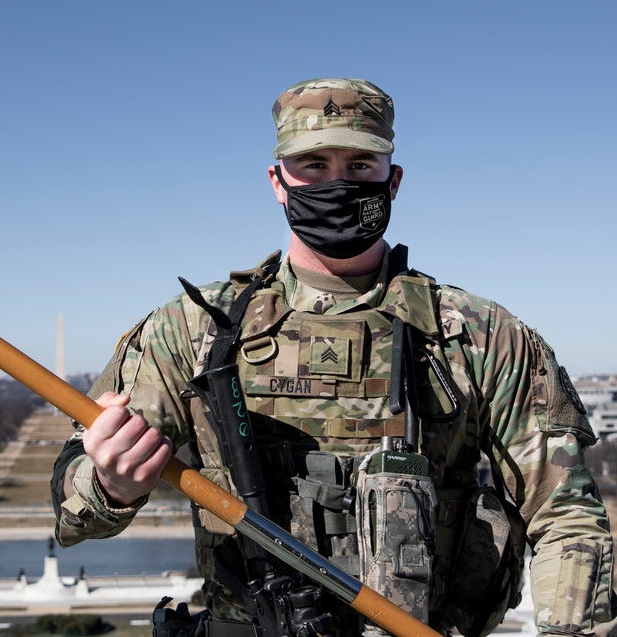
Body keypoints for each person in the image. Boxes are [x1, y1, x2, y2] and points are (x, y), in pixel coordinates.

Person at [50, 78, 616, 637]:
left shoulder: (480, 335)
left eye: (360, 166)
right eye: (314, 165)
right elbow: (73, 506)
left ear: (392, 181)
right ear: (278, 181)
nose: (337, 183)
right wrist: (110, 485)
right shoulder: (195, 329)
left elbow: (565, 516)